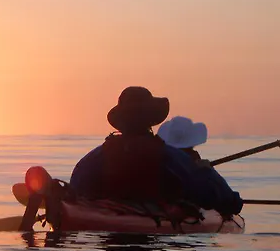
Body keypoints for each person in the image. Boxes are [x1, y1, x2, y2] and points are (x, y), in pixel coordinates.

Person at [69, 86, 243, 216]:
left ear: (121, 122)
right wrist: (206, 170)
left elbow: (75, 191)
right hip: (155, 226)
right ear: (151, 121)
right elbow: (224, 200)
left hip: (106, 223)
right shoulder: (171, 157)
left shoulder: (93, 159)